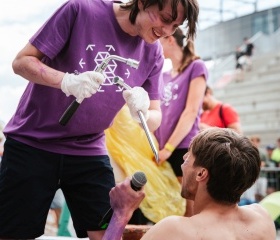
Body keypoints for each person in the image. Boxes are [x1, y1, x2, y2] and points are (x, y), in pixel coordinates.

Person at [0, 0, 199, 239]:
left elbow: (155, 117)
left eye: (175, 26)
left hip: (88, 150)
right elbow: (21, 62)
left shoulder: (153, 51)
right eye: (165, 19)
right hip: (32, 143)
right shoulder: (81, 10)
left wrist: (143, 111)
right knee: (13, 232)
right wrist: (66, 81)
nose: (167, 32)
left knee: (104, 233)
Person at [102, 127, 276, 240]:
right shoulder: (262, 218)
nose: (182, 164)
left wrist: (121, 213)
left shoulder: (175, 231)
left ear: (201, 174)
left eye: (188, 158)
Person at [154, 28, 208, 216]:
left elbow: (191, 111)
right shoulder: (164, 75)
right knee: (168, 206)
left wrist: (168, 148)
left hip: (181, 147)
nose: (155, 43)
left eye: (159, 39)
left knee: (188, 207)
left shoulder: (196, 66)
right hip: (162, 149)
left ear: (170, 39)